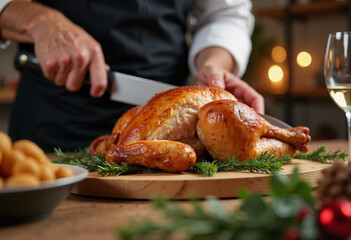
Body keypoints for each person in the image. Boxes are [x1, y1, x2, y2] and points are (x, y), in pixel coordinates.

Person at [0, 0, 264, 152]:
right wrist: (42, 21)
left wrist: (212, 63)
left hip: (171, 136)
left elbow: (225, 14)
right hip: (51, 122)